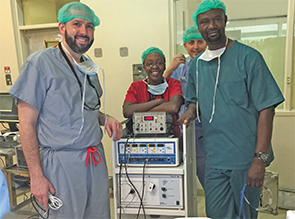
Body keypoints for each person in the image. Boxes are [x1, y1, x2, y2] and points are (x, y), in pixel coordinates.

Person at [9, 2, 122, 219]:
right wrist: (36, 176)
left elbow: (85, 109)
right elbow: (26, 124)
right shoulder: (40, 64)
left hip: (94, 161)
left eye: (89, 26)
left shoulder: (88, 67)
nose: (84, 31)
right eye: (77, 24)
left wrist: (105, 118)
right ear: (62, 27)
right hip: (61, 165)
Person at [178, 0, 285, 218]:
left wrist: (259, 159)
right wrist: (190, 112)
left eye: (217, 19)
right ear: (198, 27)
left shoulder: (248, 58)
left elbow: (267, 108)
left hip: (245, 158)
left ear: (225, 21)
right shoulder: (197, 65)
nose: (211, 25)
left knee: (244, 214)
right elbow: (195, 100)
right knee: (216, 212)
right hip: (214, 157)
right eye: (205, 22)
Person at [163, 26, 207, 188]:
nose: (196, 46)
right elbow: (160, 89)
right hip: (187, 127)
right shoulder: (180, 69)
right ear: (185, 46)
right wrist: (170, 68)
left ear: (206, 43)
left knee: (209, 175)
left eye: (199, 42)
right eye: (191, 42)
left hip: (210, 127)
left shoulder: (214, 65)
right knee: (183, 175)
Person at [123, 47, 183, 134]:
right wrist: (159, 101)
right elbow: (127, 111)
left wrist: (138, 112)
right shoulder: (136, 86)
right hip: (140, 139)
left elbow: (173, 107)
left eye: (159, 63)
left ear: (165, 66)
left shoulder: (173, 83)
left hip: (171, 137)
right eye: (150, 64)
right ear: (144, 67)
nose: (155, 67)